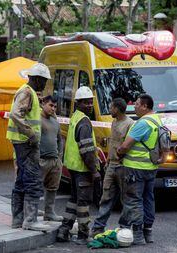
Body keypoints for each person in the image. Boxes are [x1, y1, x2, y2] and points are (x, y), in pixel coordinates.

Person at [7, 63, 51, 231]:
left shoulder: (29, 92)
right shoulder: (27, 92)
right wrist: (31, 134)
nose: (45, 84)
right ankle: (30, 220)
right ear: (37, 79)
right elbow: (16, 114)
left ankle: (18, 219)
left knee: (21, 180)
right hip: (26, 143)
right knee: (32, 180)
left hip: (22, 142)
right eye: (44, 80)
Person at [56, 86, 100, 245]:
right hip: (83, 170)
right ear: (78, 103)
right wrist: (94, 170)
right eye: (86, 103)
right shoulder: (84, 122)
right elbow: (86, 150)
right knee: (83, 203)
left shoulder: (75, 117)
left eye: (90, 102)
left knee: (74, 200)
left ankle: (64, 230)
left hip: (73, 169)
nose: (89, 105)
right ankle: (82, 234)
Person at [117, 94, 161, 245]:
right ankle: (148, 232)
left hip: (136, 168)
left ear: (145, 106)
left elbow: (125, 146)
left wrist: (119, 152)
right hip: (151, 167)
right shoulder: (157, 119)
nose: (133, 106)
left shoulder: (143, 123)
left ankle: (137, 235)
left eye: (136, 104)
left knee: (134, 200)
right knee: (148, 199)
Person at [90, 98, 134, 237]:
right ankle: (98, 227)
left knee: (125, 199)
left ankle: (124, 229)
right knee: (106, 196)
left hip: (123, 166)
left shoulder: (130, 124)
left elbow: (128, 145)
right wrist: (108, 160)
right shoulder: (114, 122)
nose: (110, 110)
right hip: (112, 165)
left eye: (111, 108)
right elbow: (113, 142)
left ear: (117, 109)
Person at [39, 95, 63, 222]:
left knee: (53, 187)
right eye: (50, 105)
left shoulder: (55, 121)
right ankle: (30, 213)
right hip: (41, 160)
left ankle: (49, 213)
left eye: (54, 106)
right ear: (43, 104)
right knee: (35, 187)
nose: (53, 108)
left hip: (55, 161)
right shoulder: (37, 119)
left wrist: (59, 157)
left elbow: (60, 140)